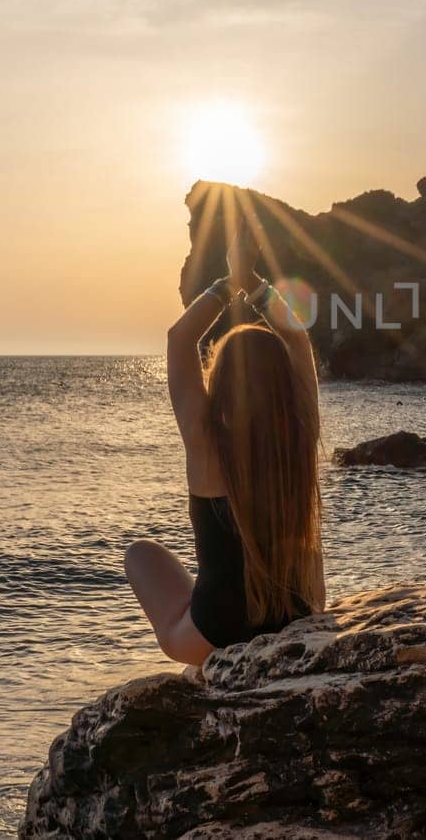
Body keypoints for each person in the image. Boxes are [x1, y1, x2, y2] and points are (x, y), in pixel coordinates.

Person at [123, 225, 325, 665]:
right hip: (295, 620)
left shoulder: (207, 443)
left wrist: (229, 281)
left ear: (222, 383)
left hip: (213, 635)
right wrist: (254, 282)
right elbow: (297, 338)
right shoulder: (300, 438)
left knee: (140, 554)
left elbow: (180, 339)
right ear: (283, 387)